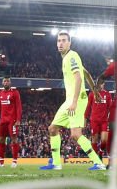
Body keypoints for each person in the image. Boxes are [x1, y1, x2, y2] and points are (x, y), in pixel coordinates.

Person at [40, 31, 105, 171]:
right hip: (69, 100)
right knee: (52, 129)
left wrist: (75, 102)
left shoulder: (72, 56)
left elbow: (79, 78)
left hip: (77, 100)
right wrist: (94, 90)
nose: (61, 43)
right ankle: (56, 163)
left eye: (64, 40)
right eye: (59, 41)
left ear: (70, 43)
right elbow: (86, 73)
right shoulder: (67, 58)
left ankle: (98, 163)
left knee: (75, 134)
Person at [86, 81, 114, 162]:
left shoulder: (107, 94)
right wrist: (85, 118)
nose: (100, 85)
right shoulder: (92, 94)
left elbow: (111, 107)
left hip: (104, 120)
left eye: (101, 83)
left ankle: (101, 152)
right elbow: (88, 107)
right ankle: (96, 160)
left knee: (104, 140)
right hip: (94, 120)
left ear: (103, 84)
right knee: (94, 139)